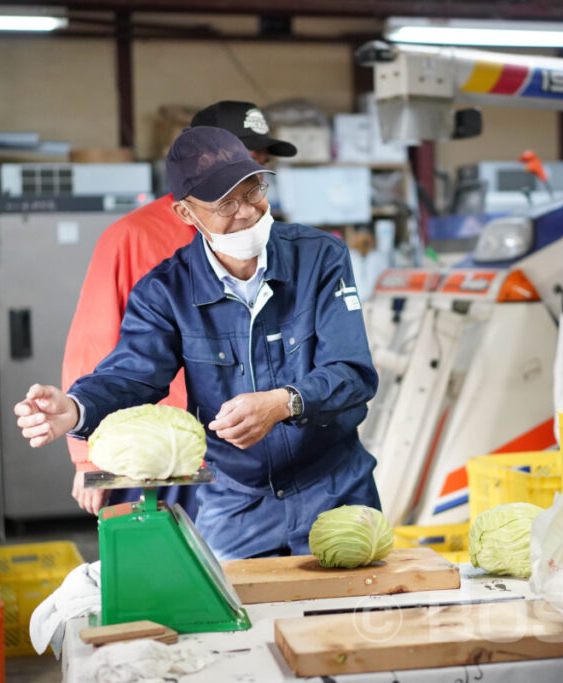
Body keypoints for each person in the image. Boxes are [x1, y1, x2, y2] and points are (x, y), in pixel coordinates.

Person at [19, 125, 381, 559]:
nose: (246, 211)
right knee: (238, 623)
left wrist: (285, 402)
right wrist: (77, 409)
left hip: (335, 490)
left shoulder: (320, 257)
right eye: (225, 203)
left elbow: (353, 372)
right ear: (186, 214)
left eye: (253, 190)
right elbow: (132, 375)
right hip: (236, 504)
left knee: (351, 618)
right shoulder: (166, 291)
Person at [63, 101, 297, 516]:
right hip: (163, 455)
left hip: (255, 452)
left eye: (259, 164)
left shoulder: (266, 232)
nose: (249, 176)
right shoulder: (132, 236)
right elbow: (93, 341)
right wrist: (86, 457)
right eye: (242, 157)